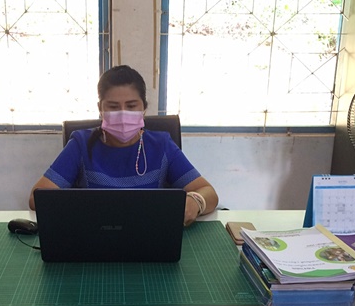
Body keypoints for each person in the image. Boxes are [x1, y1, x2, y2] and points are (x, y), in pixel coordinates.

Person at [28, 65, 218, 225]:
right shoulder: (81, 144)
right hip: (94, 236)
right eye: (113, 107)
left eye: (131, 106)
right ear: (100, 109)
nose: (122, 114)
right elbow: (37, 198)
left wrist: (196, 201)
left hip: (150, 236)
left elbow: (209, 193)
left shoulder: (162, 145)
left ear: (144, 108)